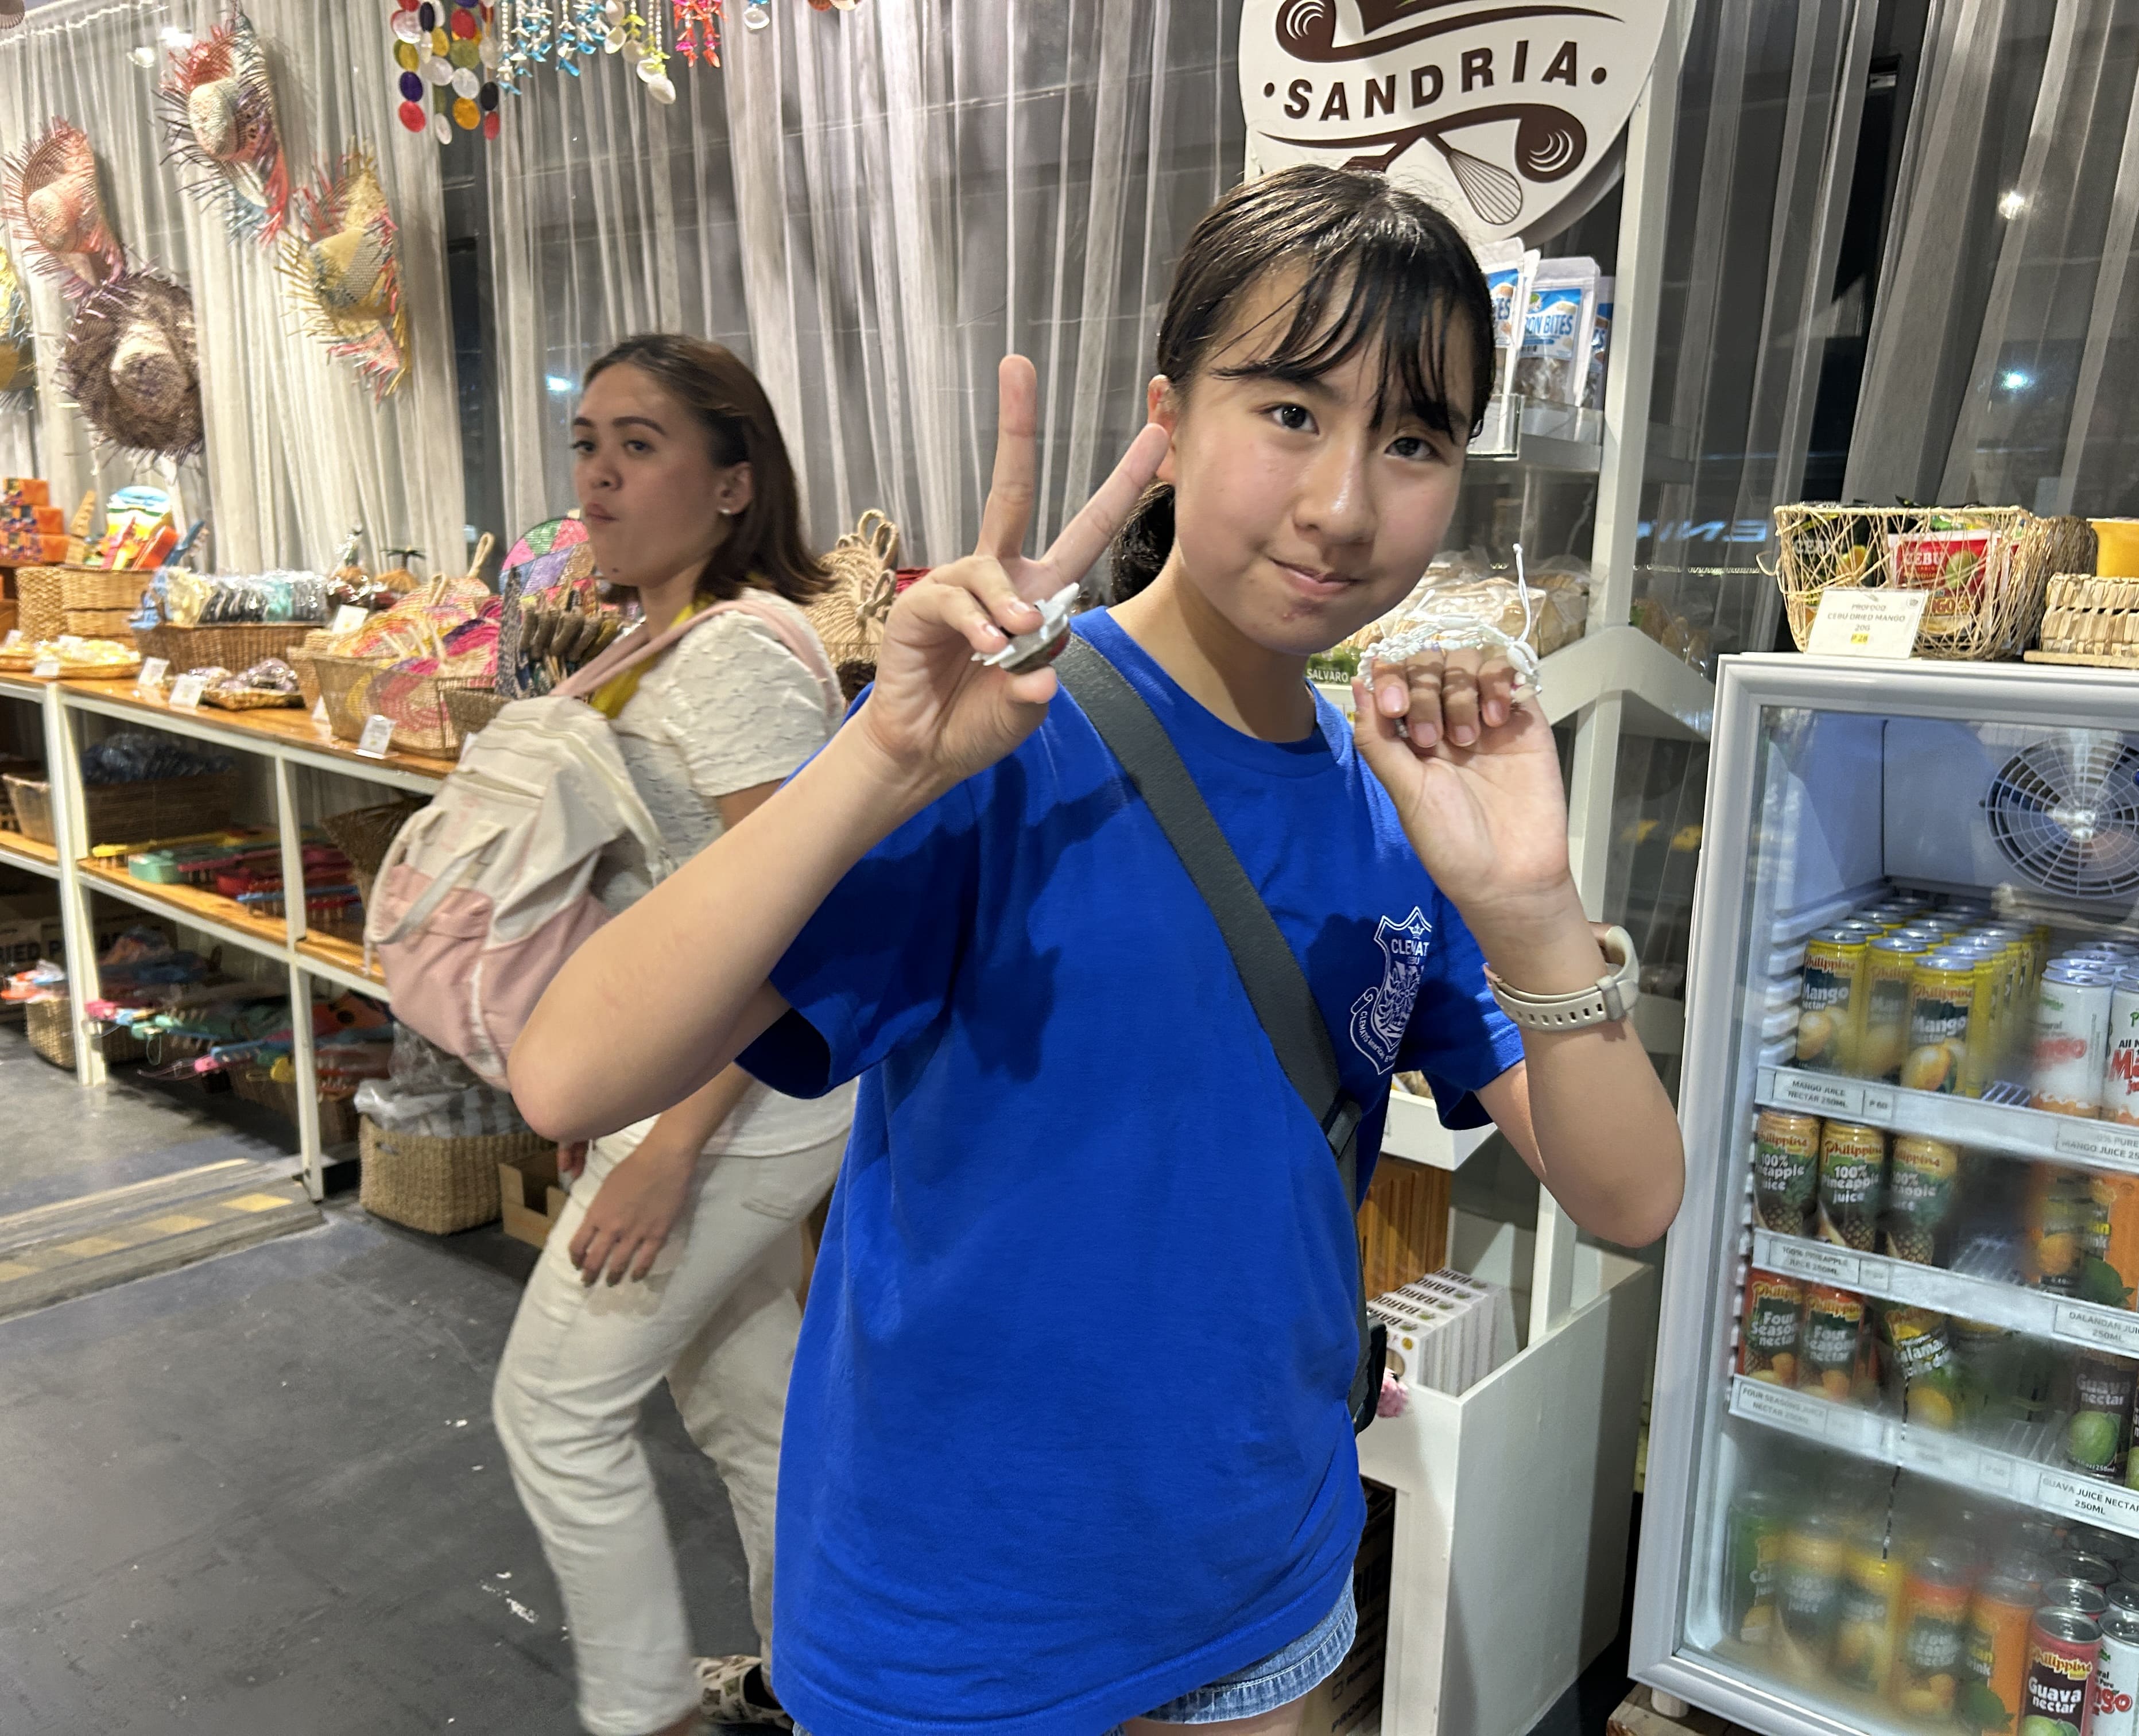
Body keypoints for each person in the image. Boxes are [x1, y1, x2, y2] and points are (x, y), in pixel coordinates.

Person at [512, 169, 1684, 1735]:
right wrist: (880, 761)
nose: (1345, 504)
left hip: (1265, 1596)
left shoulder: (1398, 802)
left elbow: (1629, 1198)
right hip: (952, 1628)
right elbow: (569, 1072)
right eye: (1289, 411)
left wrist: (1529, 905)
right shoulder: (1002, 736)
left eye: (1414, 440)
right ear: (1170, 421)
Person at [490, 334, 852, 1736]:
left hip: (742, 1103)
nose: (597, 477)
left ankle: (645, 1714)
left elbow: (800, 935)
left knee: (554, 1412)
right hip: (692, 1091)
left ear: (732, 483)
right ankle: (819, 1687)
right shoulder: (664, 640)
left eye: (639, 446)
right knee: (751, 1410)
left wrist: (669, 1148)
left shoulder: (736, 657)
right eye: (587, 443)